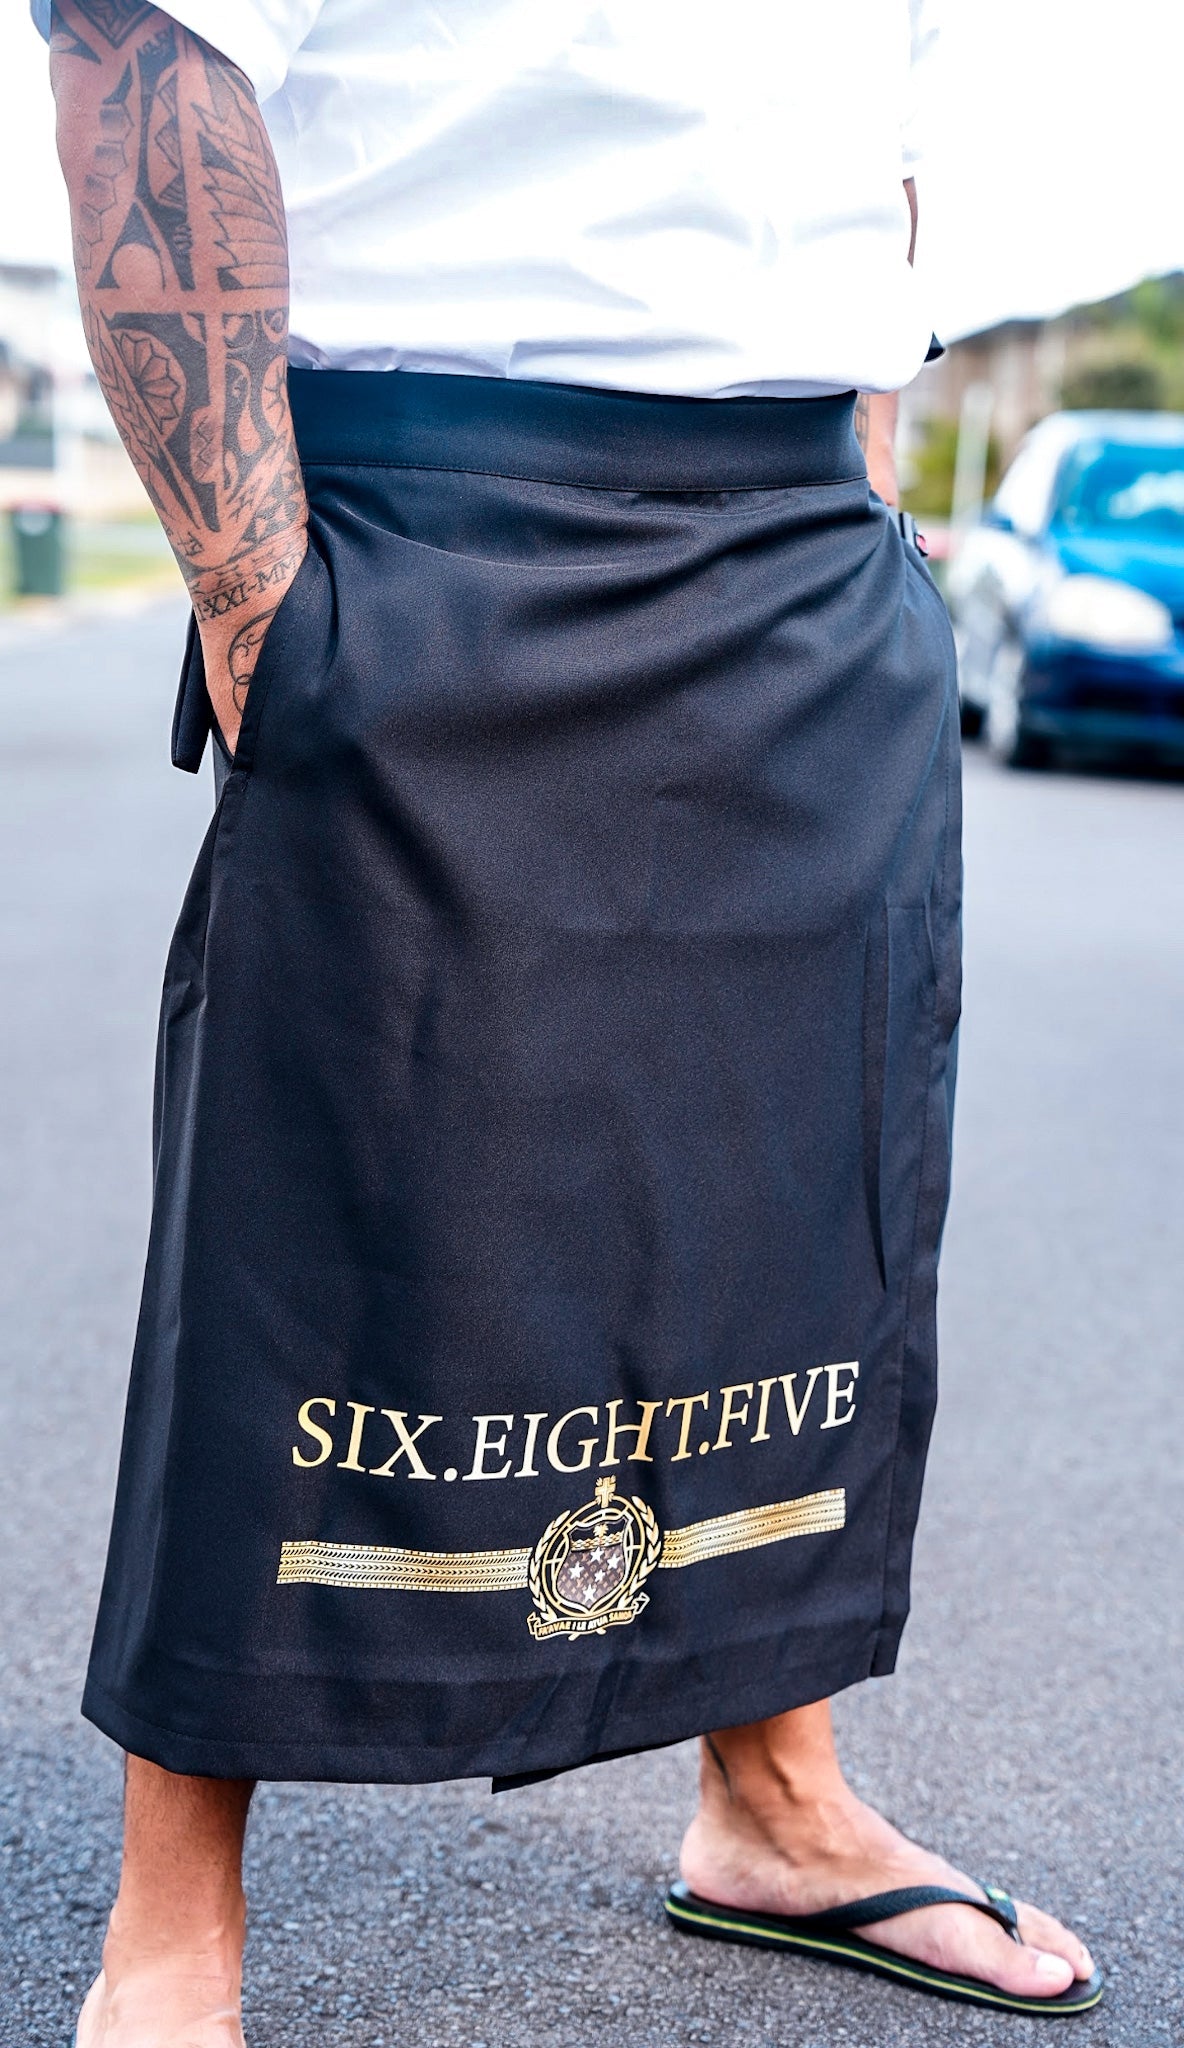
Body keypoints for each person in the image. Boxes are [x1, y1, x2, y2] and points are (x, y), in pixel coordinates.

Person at [37, 1, 1103, 2038]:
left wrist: (866, 499)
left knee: (784, 1204)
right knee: (313, 1210)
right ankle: (171, 1918)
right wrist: (259, 605)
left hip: (796, 535)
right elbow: (139, 42)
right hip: (437, 516)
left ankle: (775, 1804)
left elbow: (870, 147)